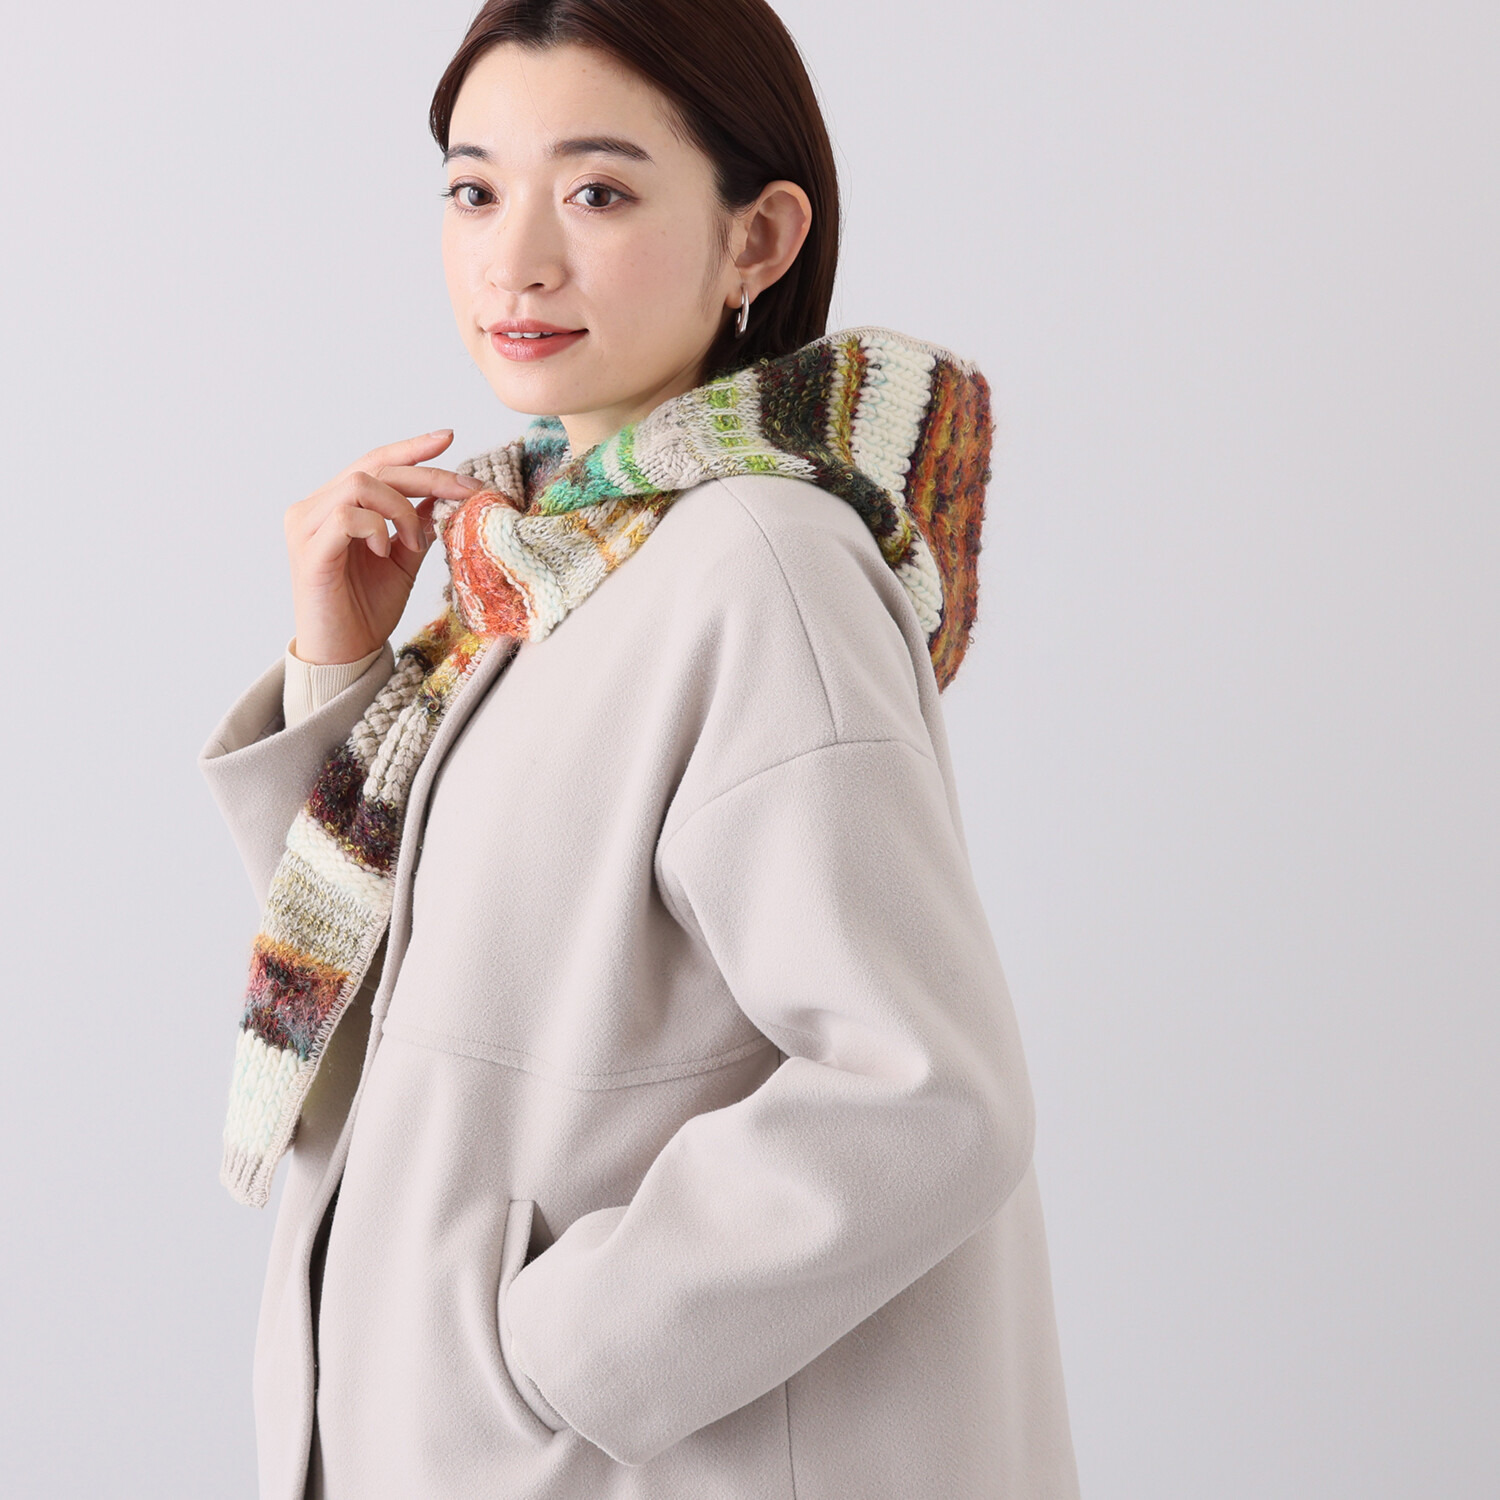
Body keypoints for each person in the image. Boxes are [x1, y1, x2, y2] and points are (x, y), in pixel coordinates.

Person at [197, 2, 1080, 1496]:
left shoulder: (759, 565)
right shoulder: (551, 557)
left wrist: (555, 1358)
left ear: (758, 240)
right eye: (475, 190)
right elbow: (401, 998)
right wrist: (342, 669)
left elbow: (925, 1088)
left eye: (597, 191)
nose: (517, 259)